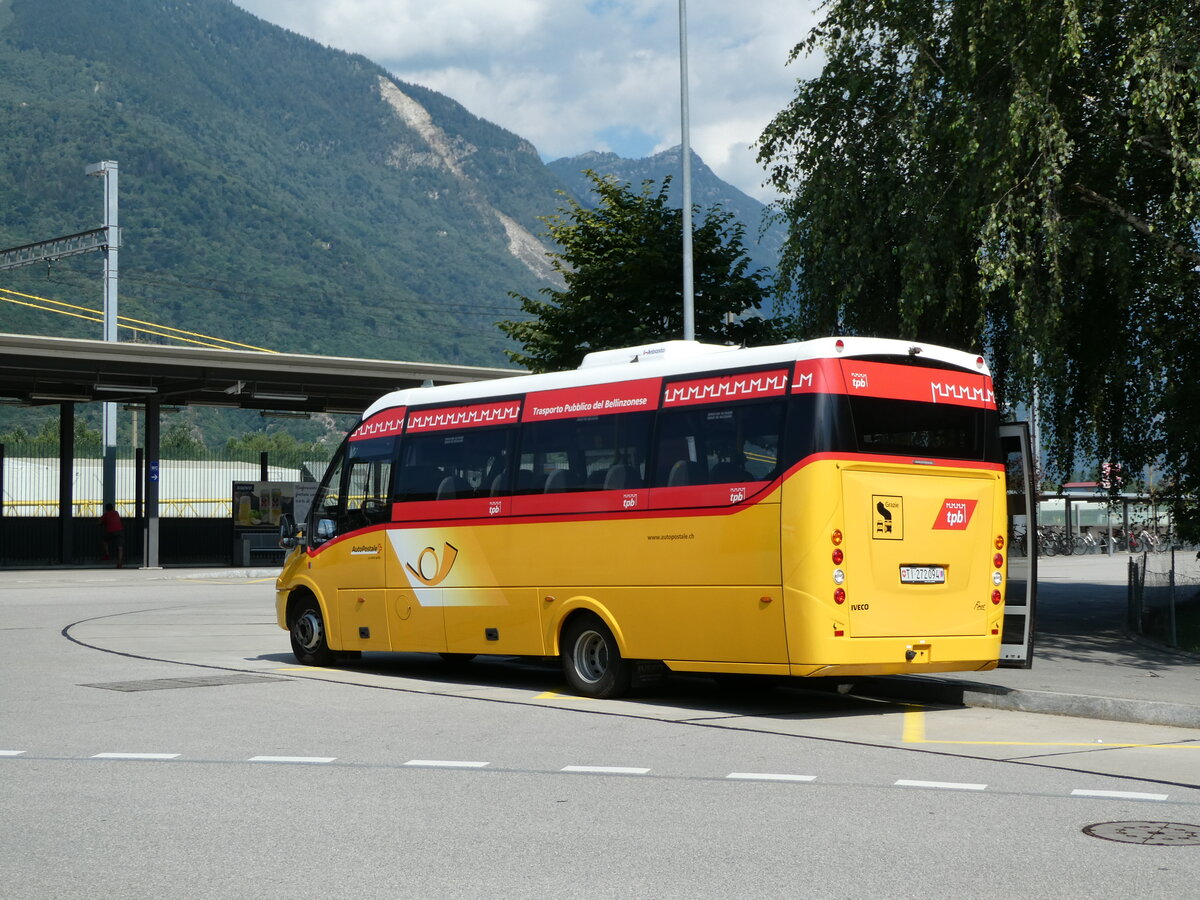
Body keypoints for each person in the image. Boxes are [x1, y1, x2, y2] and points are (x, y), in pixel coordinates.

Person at [100, 503, 125, 568]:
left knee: (105, 540)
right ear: (112, 508)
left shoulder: (106, 514)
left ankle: (107, 555)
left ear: (106, 509)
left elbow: (100, 522)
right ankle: (119, 563)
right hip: (120, 531)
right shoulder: (116, 513)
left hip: (110, 531)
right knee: (120, 547)